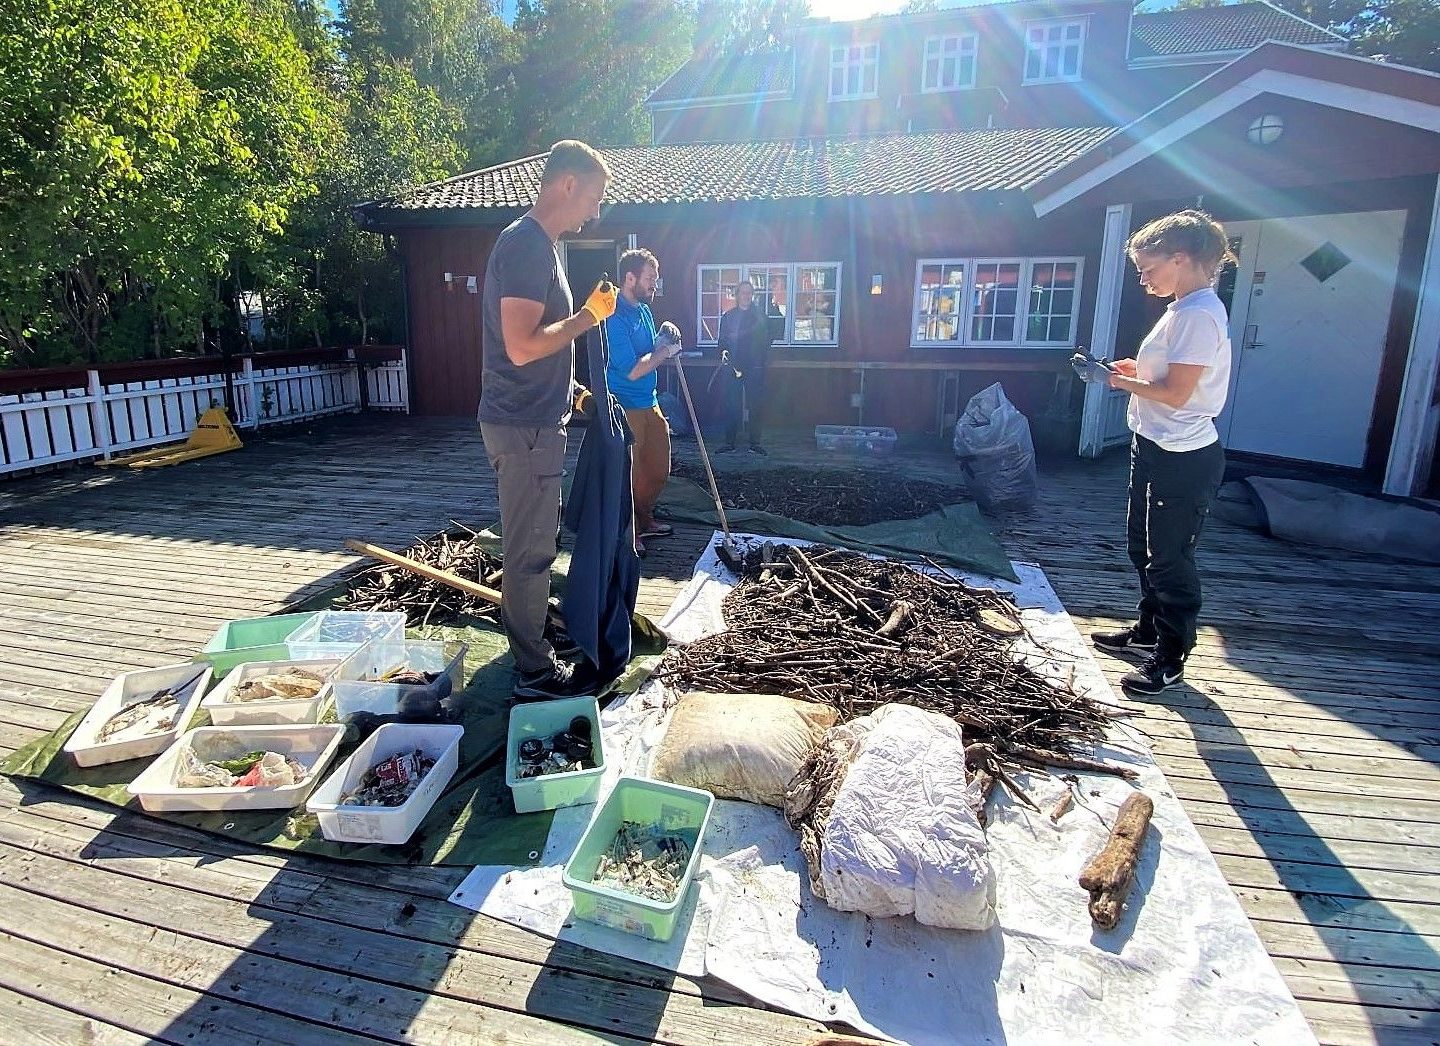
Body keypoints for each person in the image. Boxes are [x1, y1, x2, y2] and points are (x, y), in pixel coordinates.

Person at [477, 139, 617, 701]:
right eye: (595, 196)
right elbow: (519, 347)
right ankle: (534, 673)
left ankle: (531, 643)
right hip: (523, 428)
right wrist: (588, 316)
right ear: (566, 185)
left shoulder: (541, 247)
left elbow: (535, 348)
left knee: (535, 543)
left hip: (536, 419)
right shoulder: (527, 247)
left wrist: (571, 388)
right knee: (531, 553)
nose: (596, 210)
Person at [1091, 210, 1236, 695]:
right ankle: (1147, 630)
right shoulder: (1181, 309)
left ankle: (1170, 658)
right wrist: (1134, 369)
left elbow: (1177, 394)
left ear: (1180, 258)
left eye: (1149, 269)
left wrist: (1116, 381)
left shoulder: (1198, 315)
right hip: (1152, 443)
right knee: (1142, 546)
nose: (1143, 279)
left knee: (1170, 558)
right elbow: (1168, 376)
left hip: (1184, 457)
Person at [602, 248, 683, 555]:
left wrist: (666, 331)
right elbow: (635, 369)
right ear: (630, 277)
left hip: (650, 401)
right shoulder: (614, 317)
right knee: (630, 473)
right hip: (625, 404)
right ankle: (629, 530)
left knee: (659, 467)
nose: (654, 285)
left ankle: (645, 517)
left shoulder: (645, 312)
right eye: (650, 278)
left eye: (656, 279)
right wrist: (664, 353)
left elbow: (652, 346)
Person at [716, 280, 774, 455]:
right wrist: (724, 353)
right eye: (743, 292)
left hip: (754, 367)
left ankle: (755, 443)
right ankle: (729, 443)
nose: (746, 296)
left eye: (749, 293)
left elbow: (767, 341)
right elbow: (722, 342)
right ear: (737, 295)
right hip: (733, 367)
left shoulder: (761, 317)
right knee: (731, 405)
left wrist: (761, 362)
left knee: (755, 405)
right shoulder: (728, 317)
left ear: (752, 295)